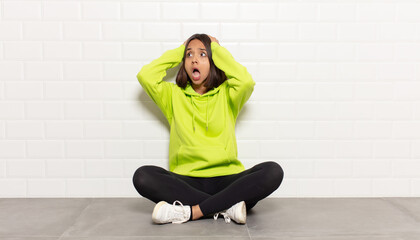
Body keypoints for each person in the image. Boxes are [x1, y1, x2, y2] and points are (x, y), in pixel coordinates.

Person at [133, 33, 284, 225]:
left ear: (213, 61)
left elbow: (246, 81)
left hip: (228, 180)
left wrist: (217, 50)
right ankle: (226, 207)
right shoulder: (172, 96)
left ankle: (192, 212)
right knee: (143, 176)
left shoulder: (229, 94)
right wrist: (181, 48)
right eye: (189, 55)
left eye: (203, 54)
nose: (194, 59)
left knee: (273, 171)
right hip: (186, 180)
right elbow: (145, 76)